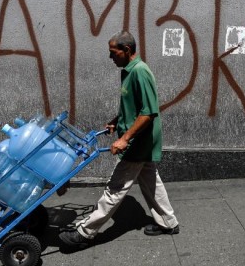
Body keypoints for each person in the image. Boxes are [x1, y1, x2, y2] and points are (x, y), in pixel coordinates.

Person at [59, 31, 179, 249]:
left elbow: (148, 112)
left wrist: (124, 138)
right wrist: (117, 120)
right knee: (151, 182)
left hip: (138, 142)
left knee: (115, 189)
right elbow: (134, 106)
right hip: (140, 141)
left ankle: (85, 233)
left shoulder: (140, 72)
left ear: (126, 50)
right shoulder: (129, 71)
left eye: (113, 53)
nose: (110, 57)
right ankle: (169, 223)